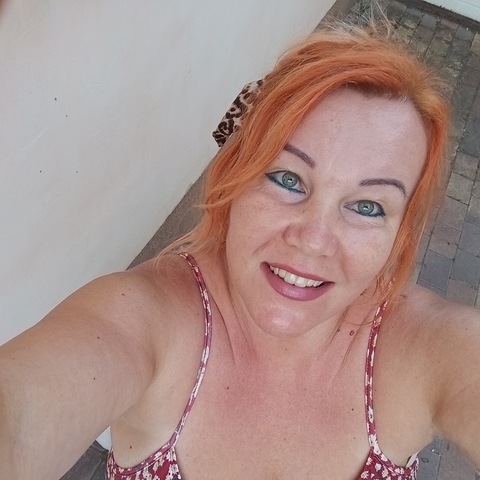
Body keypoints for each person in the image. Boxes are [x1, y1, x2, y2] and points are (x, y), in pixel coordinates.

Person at [1, 20, 479, 480]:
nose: (313, 239)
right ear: (235, 176)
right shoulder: (147, 317)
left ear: (400, 232)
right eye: (287, 178)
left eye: (368, 207)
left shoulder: (428, 347)